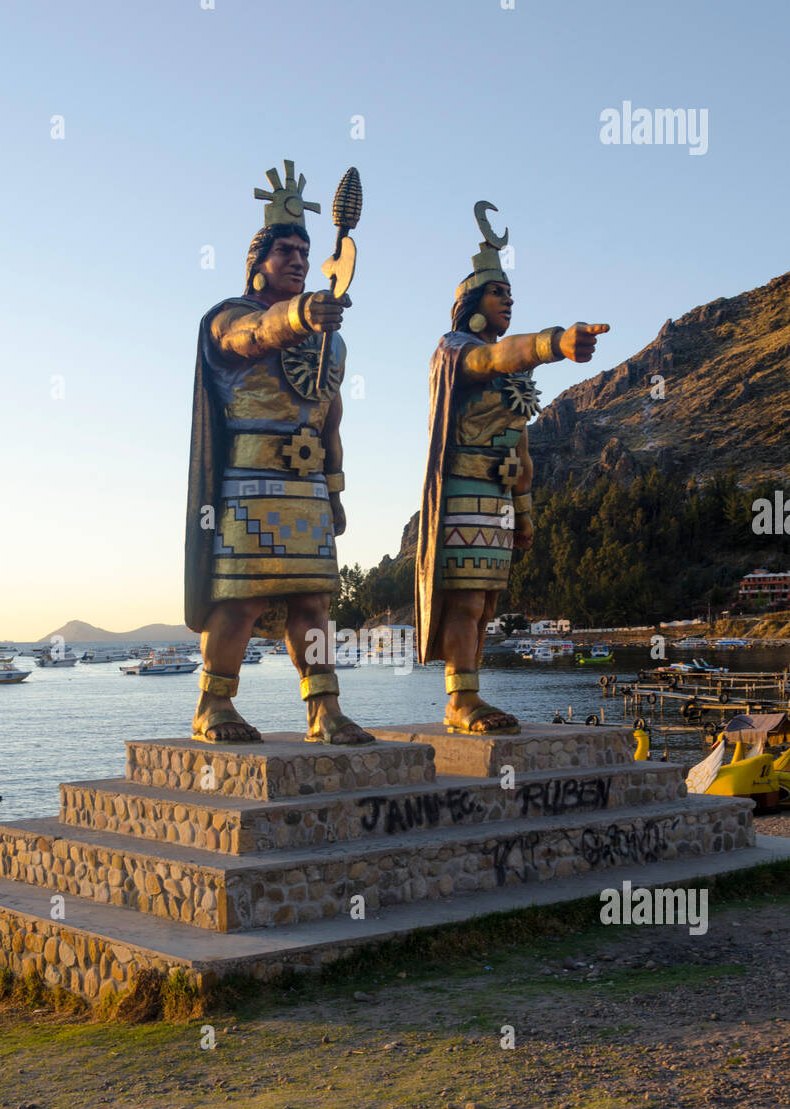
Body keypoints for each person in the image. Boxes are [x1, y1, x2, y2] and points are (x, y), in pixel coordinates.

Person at [184, 160, 373, 745]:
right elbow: (255, 336)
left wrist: (335, 490)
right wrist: (296, 315)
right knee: (241, 597)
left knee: (314, 602)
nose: (296, 257)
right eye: (284, 249)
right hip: (248, 478)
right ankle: (213, 704)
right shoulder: (227, 318)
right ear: (258, 264)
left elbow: (330, 415)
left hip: (307, 485)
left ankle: (325, 710)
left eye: (303, 249)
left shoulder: (330, 340)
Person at [415, 203, 609, 735]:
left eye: (510, 295)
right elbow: (497, 358)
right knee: (467, 598)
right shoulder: (457, 351)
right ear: (471, 304)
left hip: (498, 498)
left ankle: (468, 694)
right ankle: (461, 698)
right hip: (461, 489)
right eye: (500, 294)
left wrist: (524, 512)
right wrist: (552, 344)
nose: (509, 302)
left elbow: (521, 450)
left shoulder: (507, 378)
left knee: (485, 603)